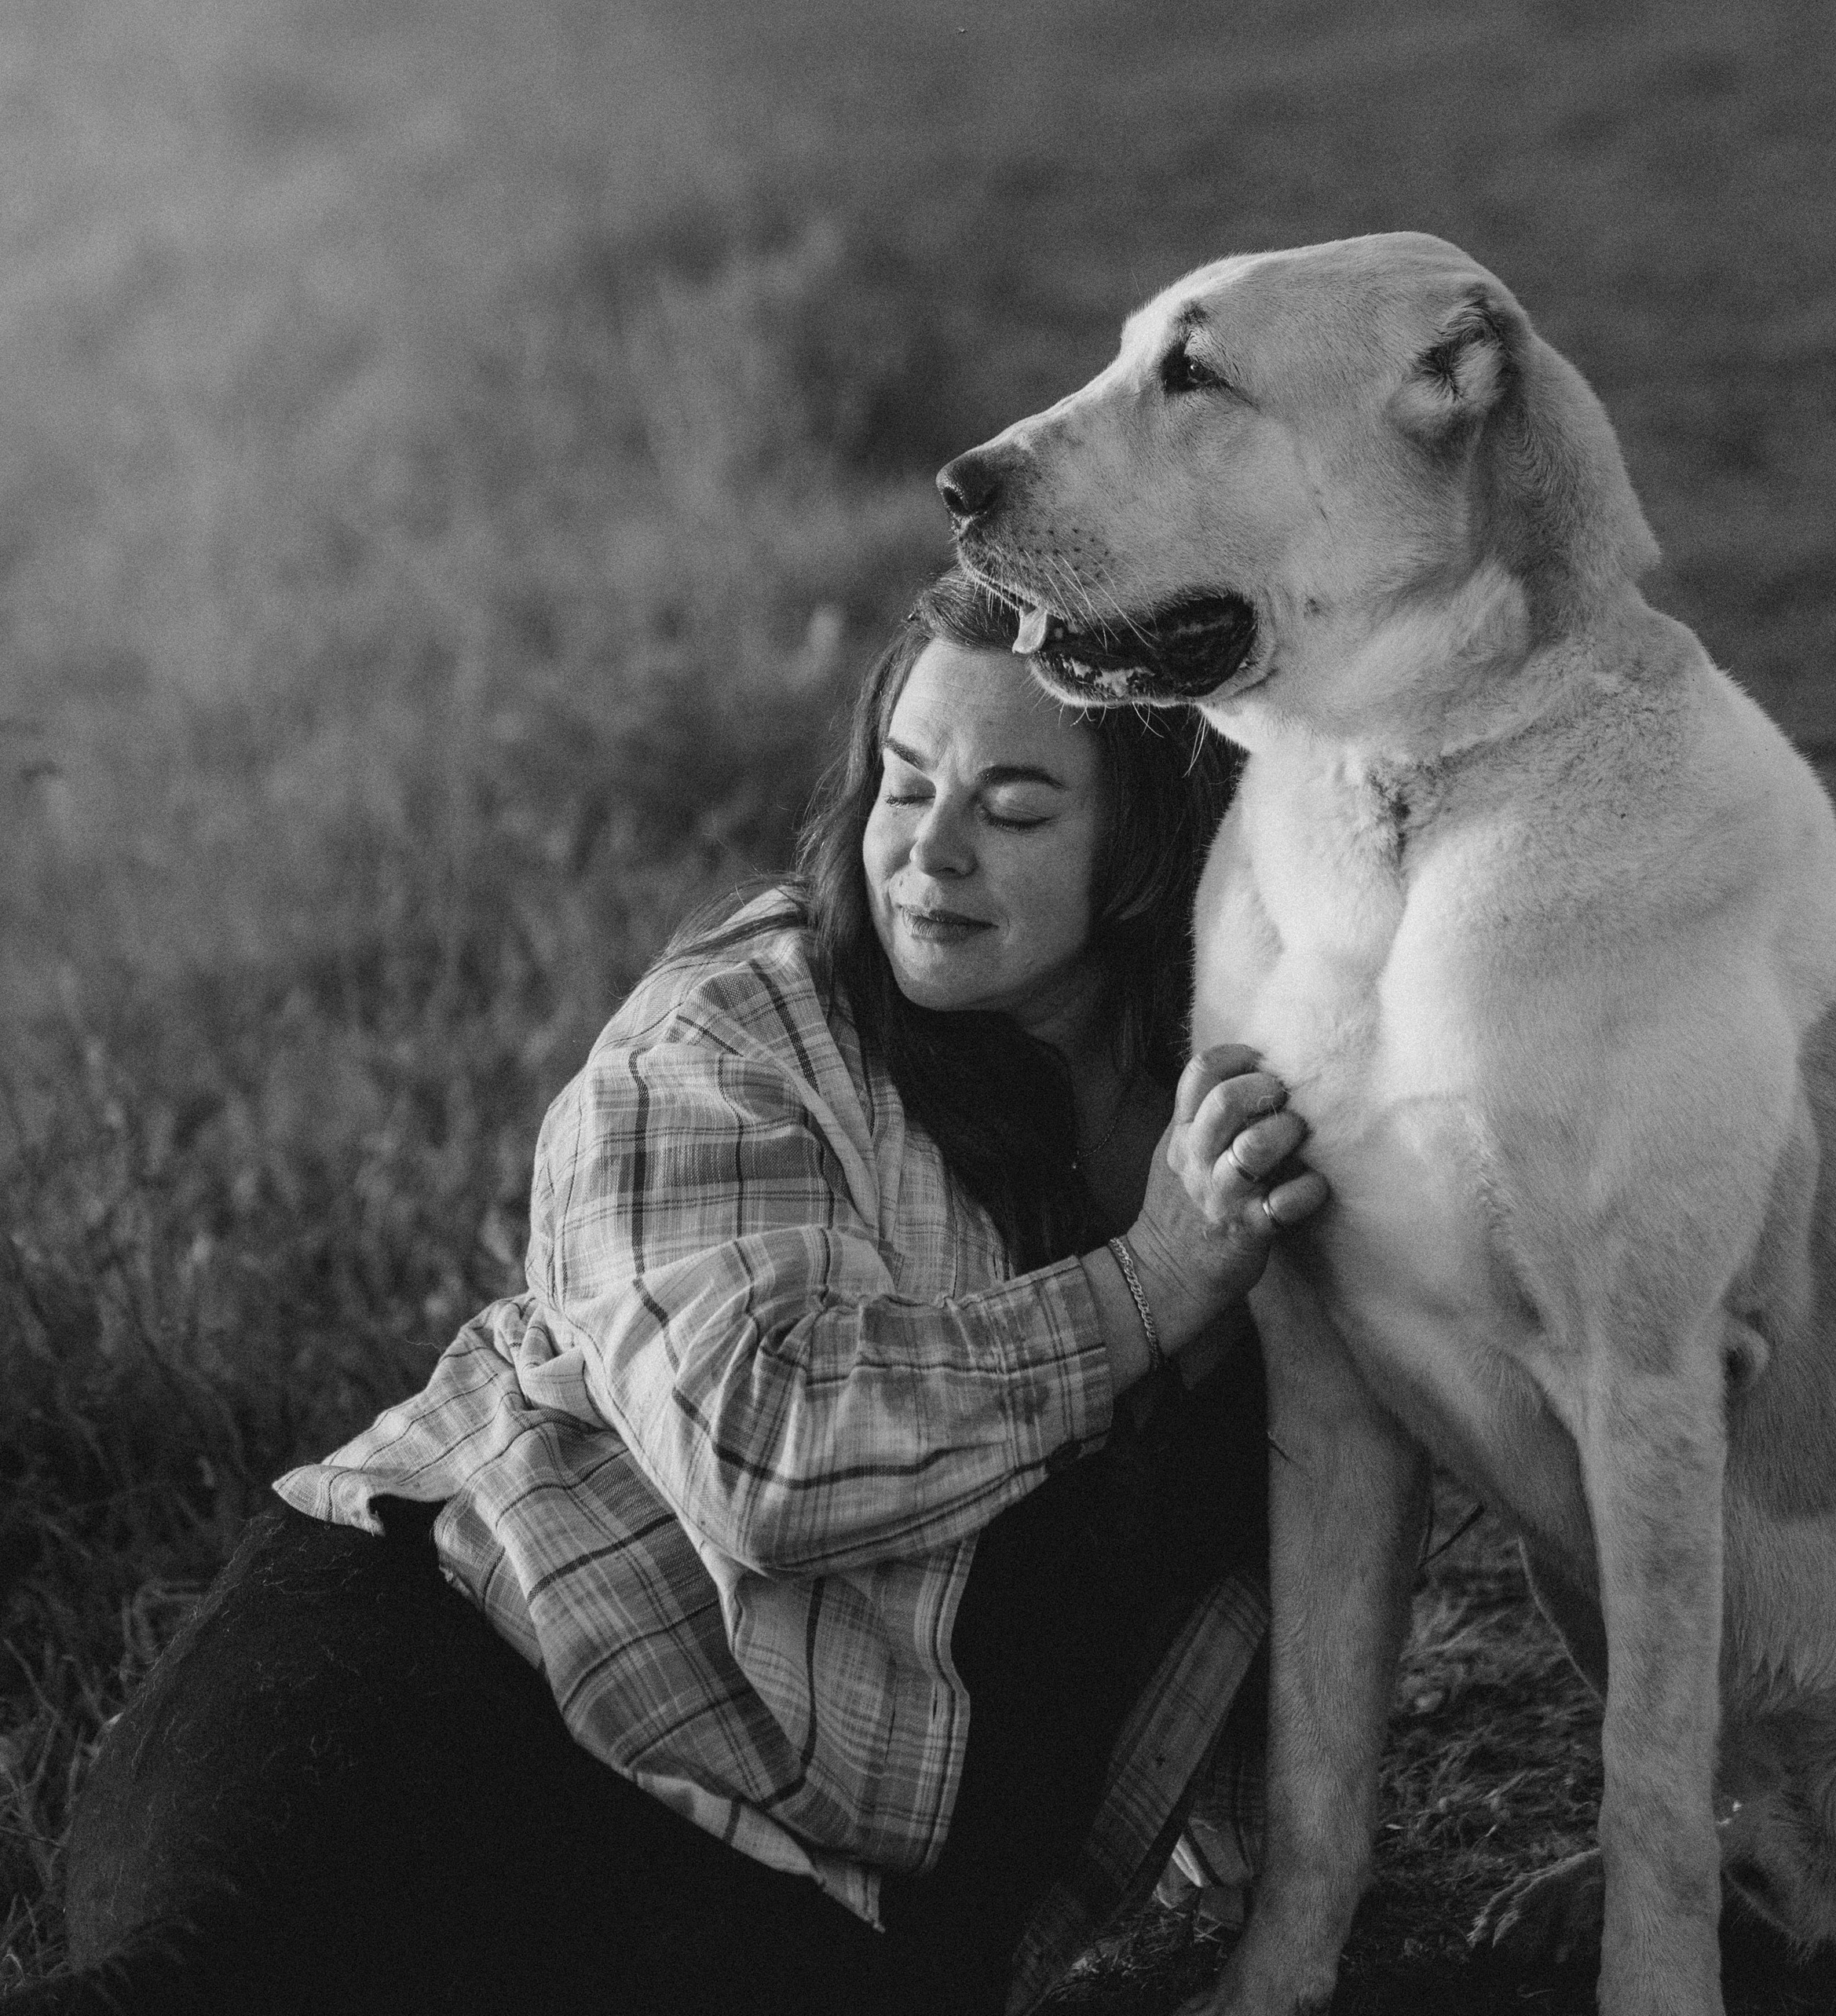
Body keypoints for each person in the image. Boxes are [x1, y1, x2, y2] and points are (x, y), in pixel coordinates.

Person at [23, 570, 1326, 2016]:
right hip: (459, 1674)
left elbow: (1283, 1544)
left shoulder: (1237, 1123)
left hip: (808, 1901)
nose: (931, 854)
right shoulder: (747, 1019)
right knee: (214, 1989)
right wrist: (1145, 1288)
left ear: (1148, 854)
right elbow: (760, 1450)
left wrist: (1304, 1903)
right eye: (904, 788)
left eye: (1013, 810)